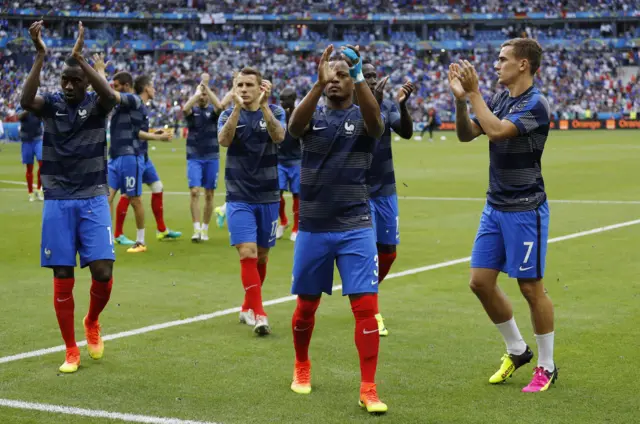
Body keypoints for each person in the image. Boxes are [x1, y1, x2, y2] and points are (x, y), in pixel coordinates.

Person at [450, 38, 557, 392]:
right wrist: (461, 102)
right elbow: (468, 135)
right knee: (480, 282)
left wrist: (475, 92)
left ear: (523, 64)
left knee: (530, 287)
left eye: (502, 59)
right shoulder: (500, 98)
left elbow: (496, 132)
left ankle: (546, 366)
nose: (496, 65)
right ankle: (517, 349)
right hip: (495, 206)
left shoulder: (536, 104)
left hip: (526, 209)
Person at [287, 45, 387, 414]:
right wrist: (315, 86)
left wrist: (360, 77)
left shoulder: (365, 117)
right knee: (306, 307)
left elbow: (377, 126)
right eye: (330, 74)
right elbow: (293, 128)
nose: (333, 80)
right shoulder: (311, 114)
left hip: (355, 224)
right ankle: (301, 365)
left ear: (353, 79)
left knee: (365, 306)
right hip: (314, 225)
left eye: (341, 75)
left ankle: (368, 387)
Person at [20, 21, 117, 373]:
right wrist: (41, 55)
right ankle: (70, 348)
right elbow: (25, 99)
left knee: (103, 272)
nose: (69, 84)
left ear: (87, 81)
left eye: (76, 79)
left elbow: (110, 96)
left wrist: (81, 58)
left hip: (92, 197)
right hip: (59, 199)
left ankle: (92, 321)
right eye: (65, 79)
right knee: (62, 273)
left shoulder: (98, 105)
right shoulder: (52, 105)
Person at [218, 67, 286, 335]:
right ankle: (260, 313)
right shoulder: (227, 113)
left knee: (262, 256)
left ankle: (247, 306)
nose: (243, 89)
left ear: (261, 87)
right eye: (239, 85)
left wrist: (265, 107)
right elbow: (223, 140)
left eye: (248, 85)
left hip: (268, 195)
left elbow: (279, 136)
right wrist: (236, 109)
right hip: (238, 196)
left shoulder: (276, 111)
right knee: (247, 252)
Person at [361, 60, 415, 337]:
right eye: (365, 75)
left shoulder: (388, 104)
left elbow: (405, 132)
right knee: (368, 253)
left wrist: (402, 105)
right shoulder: (349, 105)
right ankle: (371, 310)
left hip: (386, 189)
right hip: (358, 191)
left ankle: (365, 291)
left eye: (373, 75)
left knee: (388, 253)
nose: (371, 79)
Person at [111, 74, 182, 244]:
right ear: (146, 88)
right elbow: (136, 133)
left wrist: (154, 132)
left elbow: (138, 128)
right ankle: (119, 234)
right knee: (130, 194)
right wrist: (158, 138)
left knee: (158, 187)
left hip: (143, 154)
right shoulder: (136, 103)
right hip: (134, 154)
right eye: (152, 86)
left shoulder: (142, 106)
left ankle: (161, 229)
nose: (155, 89)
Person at [106, 71, 148, 253]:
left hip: (130, 156)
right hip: (114, 157)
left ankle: (141, 241)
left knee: (135, 199)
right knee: (105, 198)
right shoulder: (118, 104)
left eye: (117, 86)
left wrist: (100, 73)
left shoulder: (134, 99)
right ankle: (106, 239)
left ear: (127, 85)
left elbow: (110, 94)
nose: (114, 89)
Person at [184, 73, 225, 242]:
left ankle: (205, 229)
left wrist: (206, 86)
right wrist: (197, 92)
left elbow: (221, 107)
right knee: (194, 192)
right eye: (200, 93)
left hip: (211, 156)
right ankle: (196, 229)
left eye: (205, 94)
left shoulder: (213, 112)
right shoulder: (191, 111)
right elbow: (184, 108)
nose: (202, 96)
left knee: (209, 194)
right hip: (194, 156)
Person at [275, 87, 301, 242]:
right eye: (281, 99)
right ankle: (283, 221)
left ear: (293, 100)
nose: (282, 102)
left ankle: (296, 228)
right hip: (280, 160)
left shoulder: (299, 115)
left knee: (297, 195)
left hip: (297, 160)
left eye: (285, 99)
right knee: (277, 193)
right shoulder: (278, 115)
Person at [16, 105, 44, 201]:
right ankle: (30, 192)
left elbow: (42, 117)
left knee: (42, 164)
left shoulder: (38, 107)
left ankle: (39, 190)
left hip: (37, 139)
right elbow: (20, 116)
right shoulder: (21, 106)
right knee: (29, 168)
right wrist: (28, 108)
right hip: (26, 141)